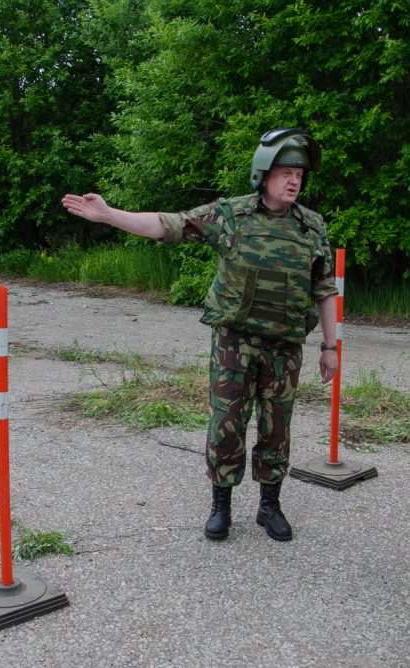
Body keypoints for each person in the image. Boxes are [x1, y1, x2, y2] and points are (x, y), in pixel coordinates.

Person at [62, 129, 339, 543]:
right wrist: (110, 215)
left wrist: (331, 347)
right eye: (285, 172)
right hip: (235, 344)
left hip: (285, 348)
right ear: (263, 175)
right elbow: (169, 225)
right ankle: (221, 506)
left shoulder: (310, 226)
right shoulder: (230, 216)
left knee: (277, 428)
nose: (294, 181)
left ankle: (270, 506)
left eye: (299, 174)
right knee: (226, 424)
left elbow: (325, 289)